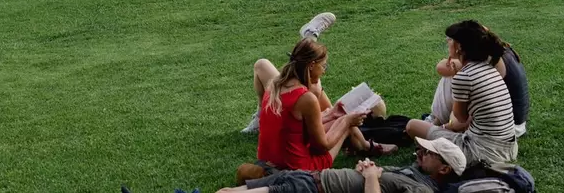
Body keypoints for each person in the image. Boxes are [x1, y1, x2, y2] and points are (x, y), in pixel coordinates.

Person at [247, 38, 366, 180]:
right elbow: (322, 146)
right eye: (323, 66)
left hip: (269, 161)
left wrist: (331, 114)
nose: (324, 71)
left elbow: (293, 125)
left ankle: (365, 146)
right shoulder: (306, 98)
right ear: (311, 65)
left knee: (338, 120)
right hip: (298, 168)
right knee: (345, 125)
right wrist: (346, 121)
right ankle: (367, 147)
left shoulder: (274, 86)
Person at [406, 21, 518, 168]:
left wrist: (444, 127)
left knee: (412, 126)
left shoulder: (464, 76)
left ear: (459, 46)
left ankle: (435, 151)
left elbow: (460, 119)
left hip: (481, 153)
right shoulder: (488, 68)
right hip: (508, 150)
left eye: (450, 40)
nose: (447, 42)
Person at [218, 137, 465, 193]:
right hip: (307, 176)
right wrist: (366, 168)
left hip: (311, 188)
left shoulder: (422, 190)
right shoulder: (411, 172)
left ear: (444, 169)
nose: (419, 152)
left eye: (428, 153)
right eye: (421, 149)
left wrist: (371, 176)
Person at [428, 24, 529, 138]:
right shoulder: (497, 52)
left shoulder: (483, 62)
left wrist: (448, 125)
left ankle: (436, 121)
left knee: (453, 76)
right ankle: (437, 121)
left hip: (503, 127)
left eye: (451, 40)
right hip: (511, 123)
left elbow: (441, 68)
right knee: (456, 74)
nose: (448, 41)